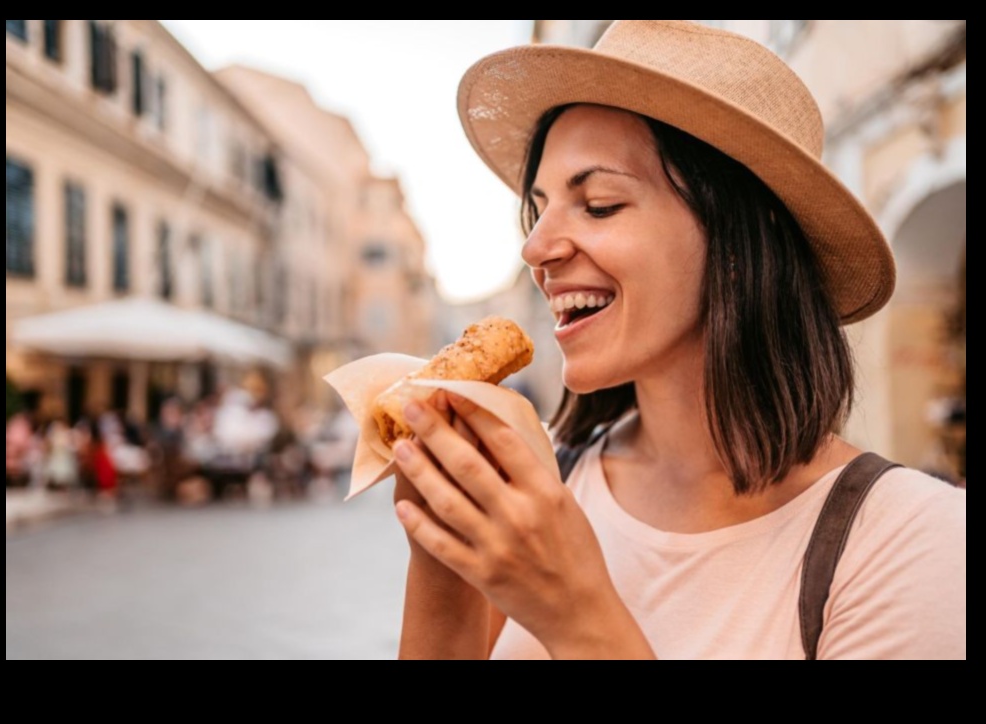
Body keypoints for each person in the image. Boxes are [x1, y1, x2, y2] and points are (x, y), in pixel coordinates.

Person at [389, 20, 966, 660]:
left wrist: (578, 618)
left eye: (600, 204)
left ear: (742, 244)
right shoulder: (542, 487)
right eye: (539, 208)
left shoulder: (912, 539)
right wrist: (439, 562)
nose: (535, 249)